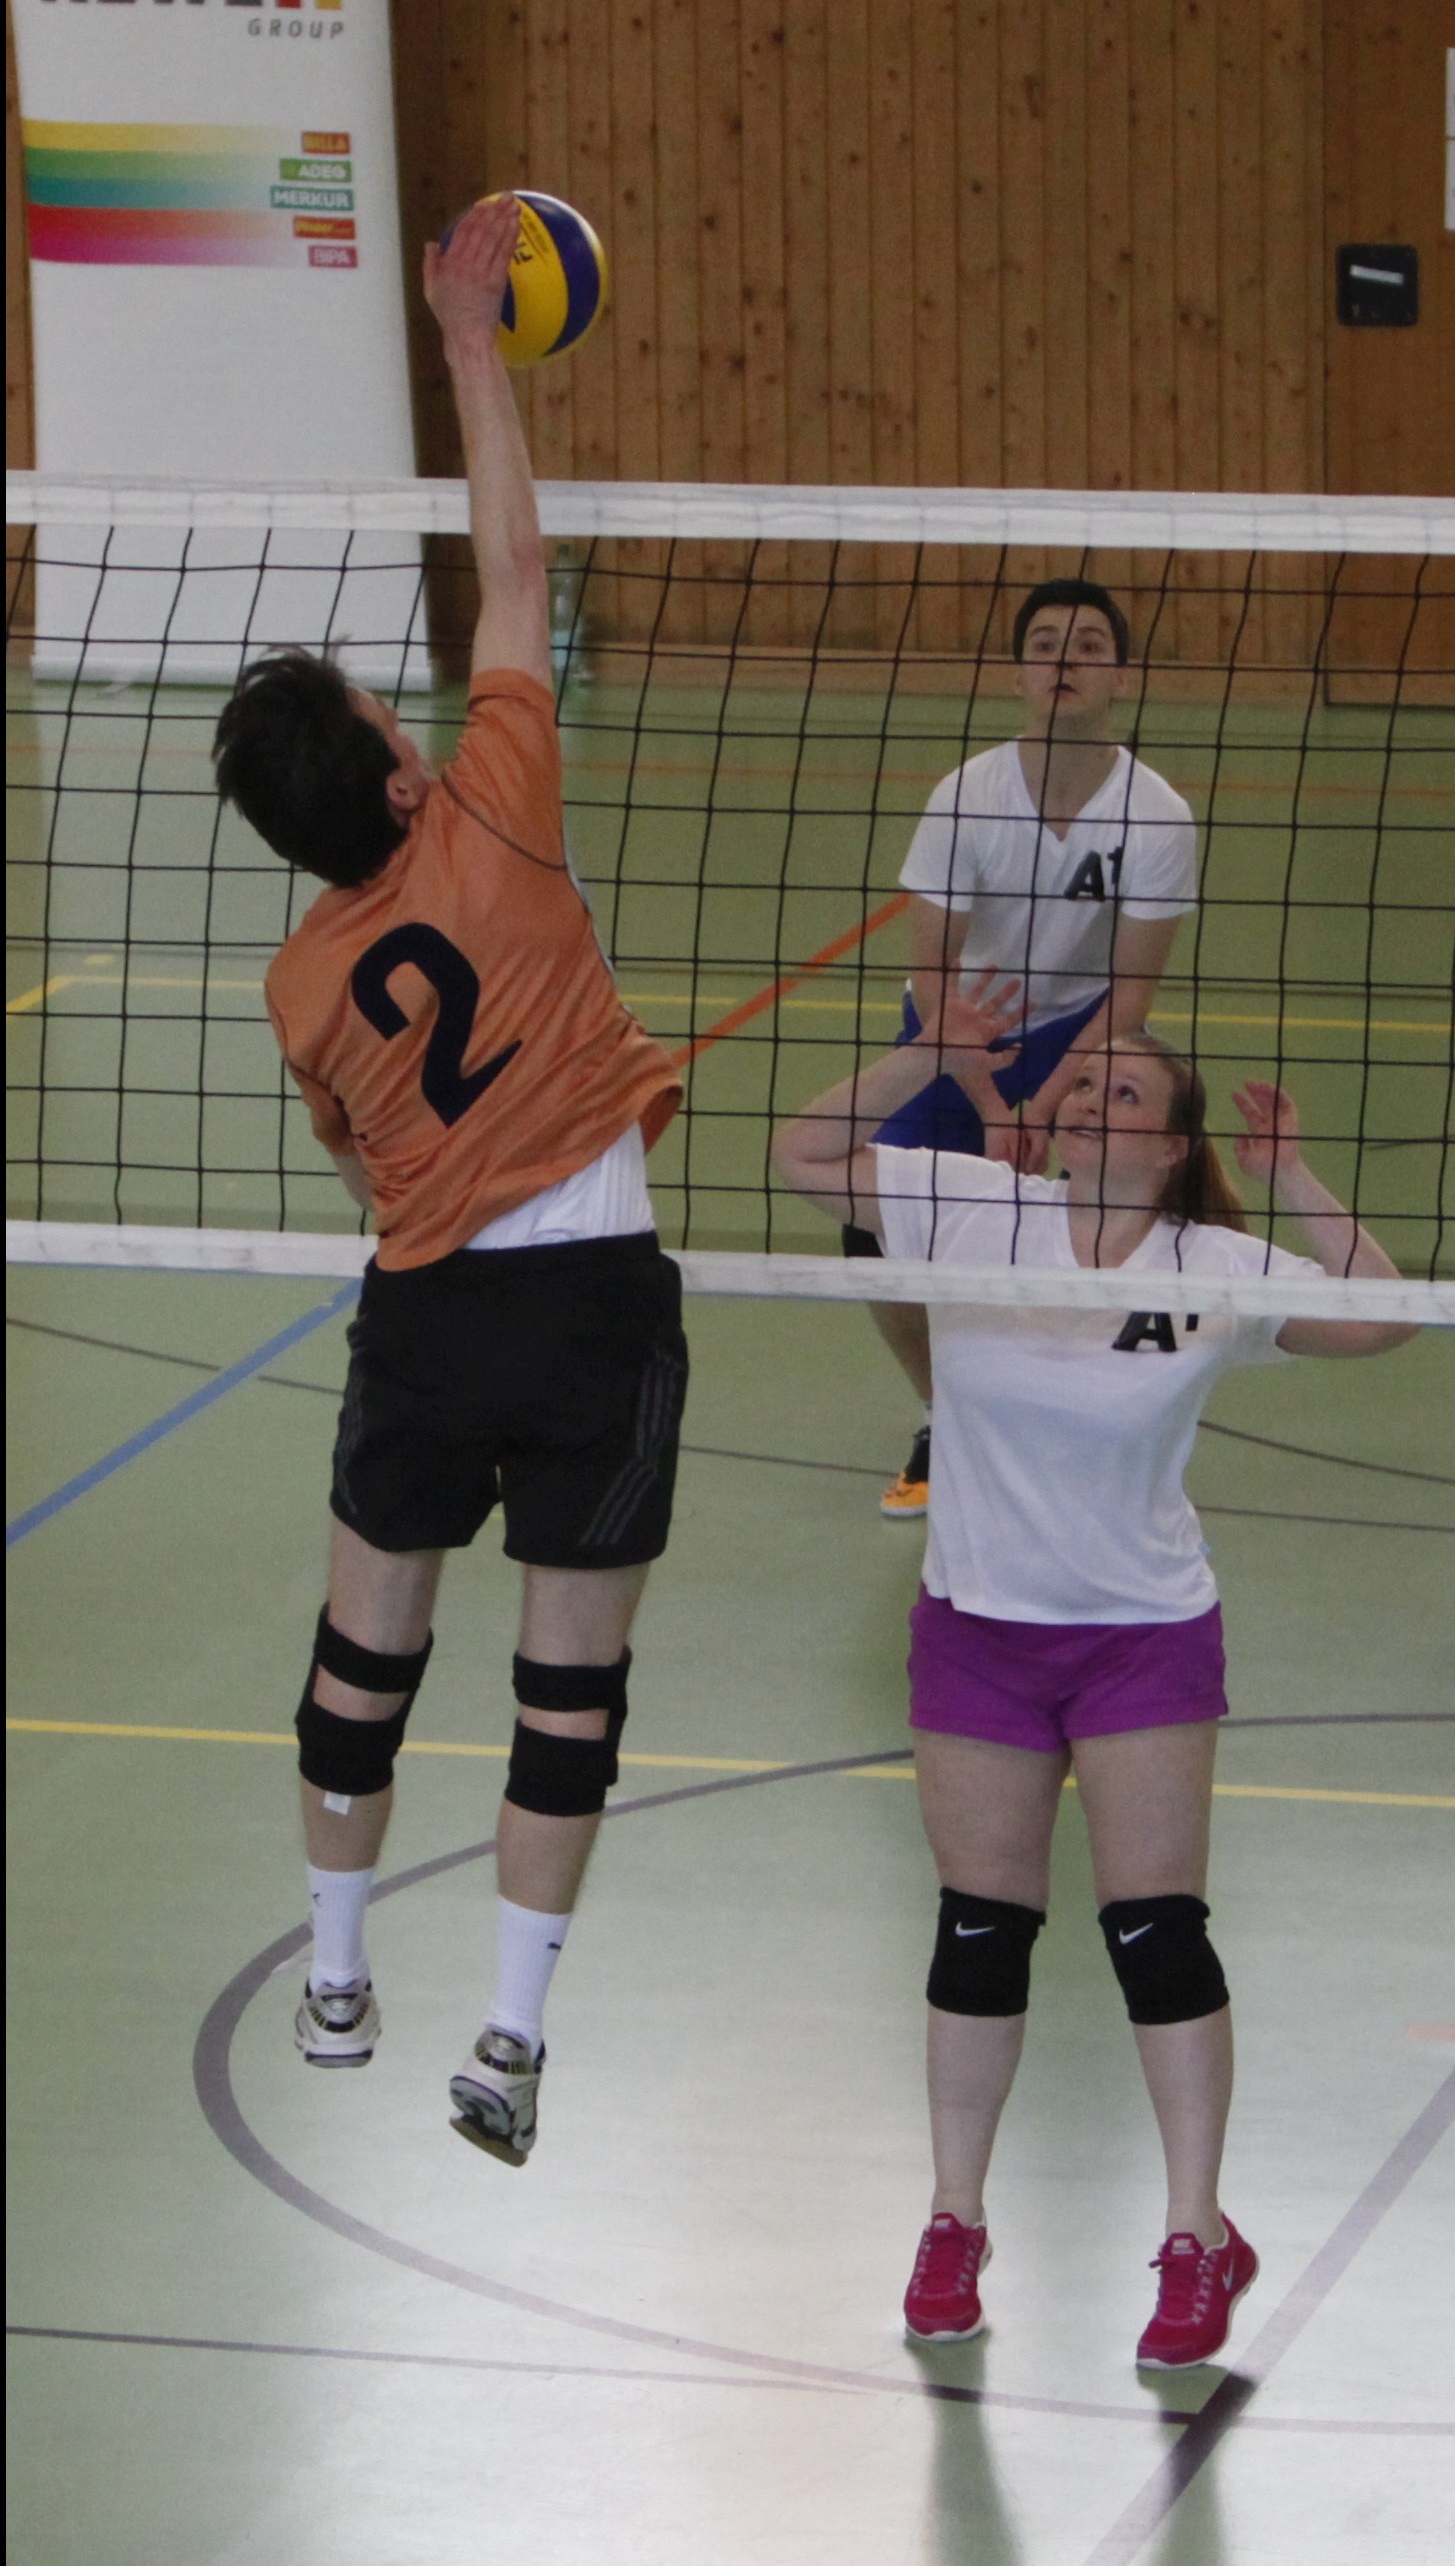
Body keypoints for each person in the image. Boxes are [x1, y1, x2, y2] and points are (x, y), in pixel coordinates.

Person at [212, 197, 687, 2167]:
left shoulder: (300, 984)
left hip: (426, 1313)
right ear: (402, 777)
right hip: (591, 1306)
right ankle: (509, 2037)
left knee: (363, 1661)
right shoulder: (498, 800)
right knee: (566, 1696)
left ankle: (335, 1980)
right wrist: (471, 344)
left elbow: (359, 1161)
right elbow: (514, 563)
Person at [773, 992, 1414, 2365]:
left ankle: (1193, 2234)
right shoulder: (967, 1206)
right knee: (978, 1930)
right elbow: (800, 1154)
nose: (1086, 1101)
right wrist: (930, 1059)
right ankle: (953, 2219)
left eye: (1123, 1093)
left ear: (1174, 1146)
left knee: (1155, 1932)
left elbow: (1383, 1321)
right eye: (1078, 1087)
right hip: (978, 1630)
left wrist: (1292, 1175)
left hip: (1139, 1634)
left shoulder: (1212, 1263)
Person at [863, 581, 1197, 1520]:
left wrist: (1047, 1101)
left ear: (1120, 677)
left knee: (1076, 1225)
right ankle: (945, 1412)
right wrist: (990, 1097)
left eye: (1087, 645)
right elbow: (930, 967)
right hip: (956, 1020)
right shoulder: (965, 796)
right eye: (1044, 644)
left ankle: (1072, 1411)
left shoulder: (1157, 815)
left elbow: (1131, 992)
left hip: (1083, 1029)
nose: (1063, 660)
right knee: (872, 1223)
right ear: (1018, 672)